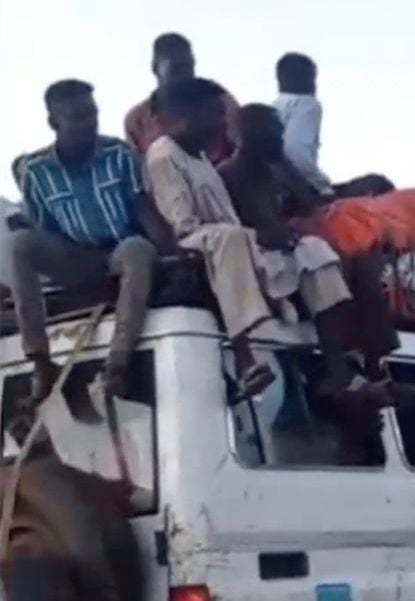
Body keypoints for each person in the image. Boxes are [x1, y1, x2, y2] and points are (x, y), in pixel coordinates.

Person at [143, 78, 356, 399]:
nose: (221, 124)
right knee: (230, 239)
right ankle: (245, 358)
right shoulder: (164, 155)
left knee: (312, 248)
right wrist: (257, 235)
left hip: (235, 246)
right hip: (198, 247)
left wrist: (275, 237)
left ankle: (337, 364)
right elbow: (182, 226)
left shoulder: (201, 158)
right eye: (215, 114)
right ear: (189, 114)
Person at [8, 80, 173, 401]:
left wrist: (170, 253)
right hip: (74, 256)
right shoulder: (37, 173)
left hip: (120, 251)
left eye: (92, 114)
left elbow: (142, 209)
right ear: (54, 123)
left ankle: (117, 366)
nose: (90, 123)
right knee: (19, 244)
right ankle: (41, 362)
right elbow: (44, 230)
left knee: (138, 250)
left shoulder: (120, 154)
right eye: (79, 117)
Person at [219, 104, 397, 381]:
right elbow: (224, 226)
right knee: (324, 257)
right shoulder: (227, 175)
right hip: (251, 258)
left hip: (289, 253)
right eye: (273, 136)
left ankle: (363, 359)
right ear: (249, 137)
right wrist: (265, 233)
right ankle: (343, 363)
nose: (279, 141)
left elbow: (311, 203)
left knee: (340, 256)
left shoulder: (275, 173)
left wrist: (286, 169)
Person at [272, 52, 391, 200]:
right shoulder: (306, 104)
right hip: (304, 189)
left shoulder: (276, 107)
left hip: (283, 187)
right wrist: (323, 187)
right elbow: (297, 152)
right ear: (309, 79)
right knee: (377, 184)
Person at [125, 33, 241, 164]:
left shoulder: (220, 101)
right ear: (155, 68)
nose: (186, 74)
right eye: (177, 68)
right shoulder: (138, 120)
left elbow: (242, 150)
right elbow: (138, 169)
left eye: (189, 66)